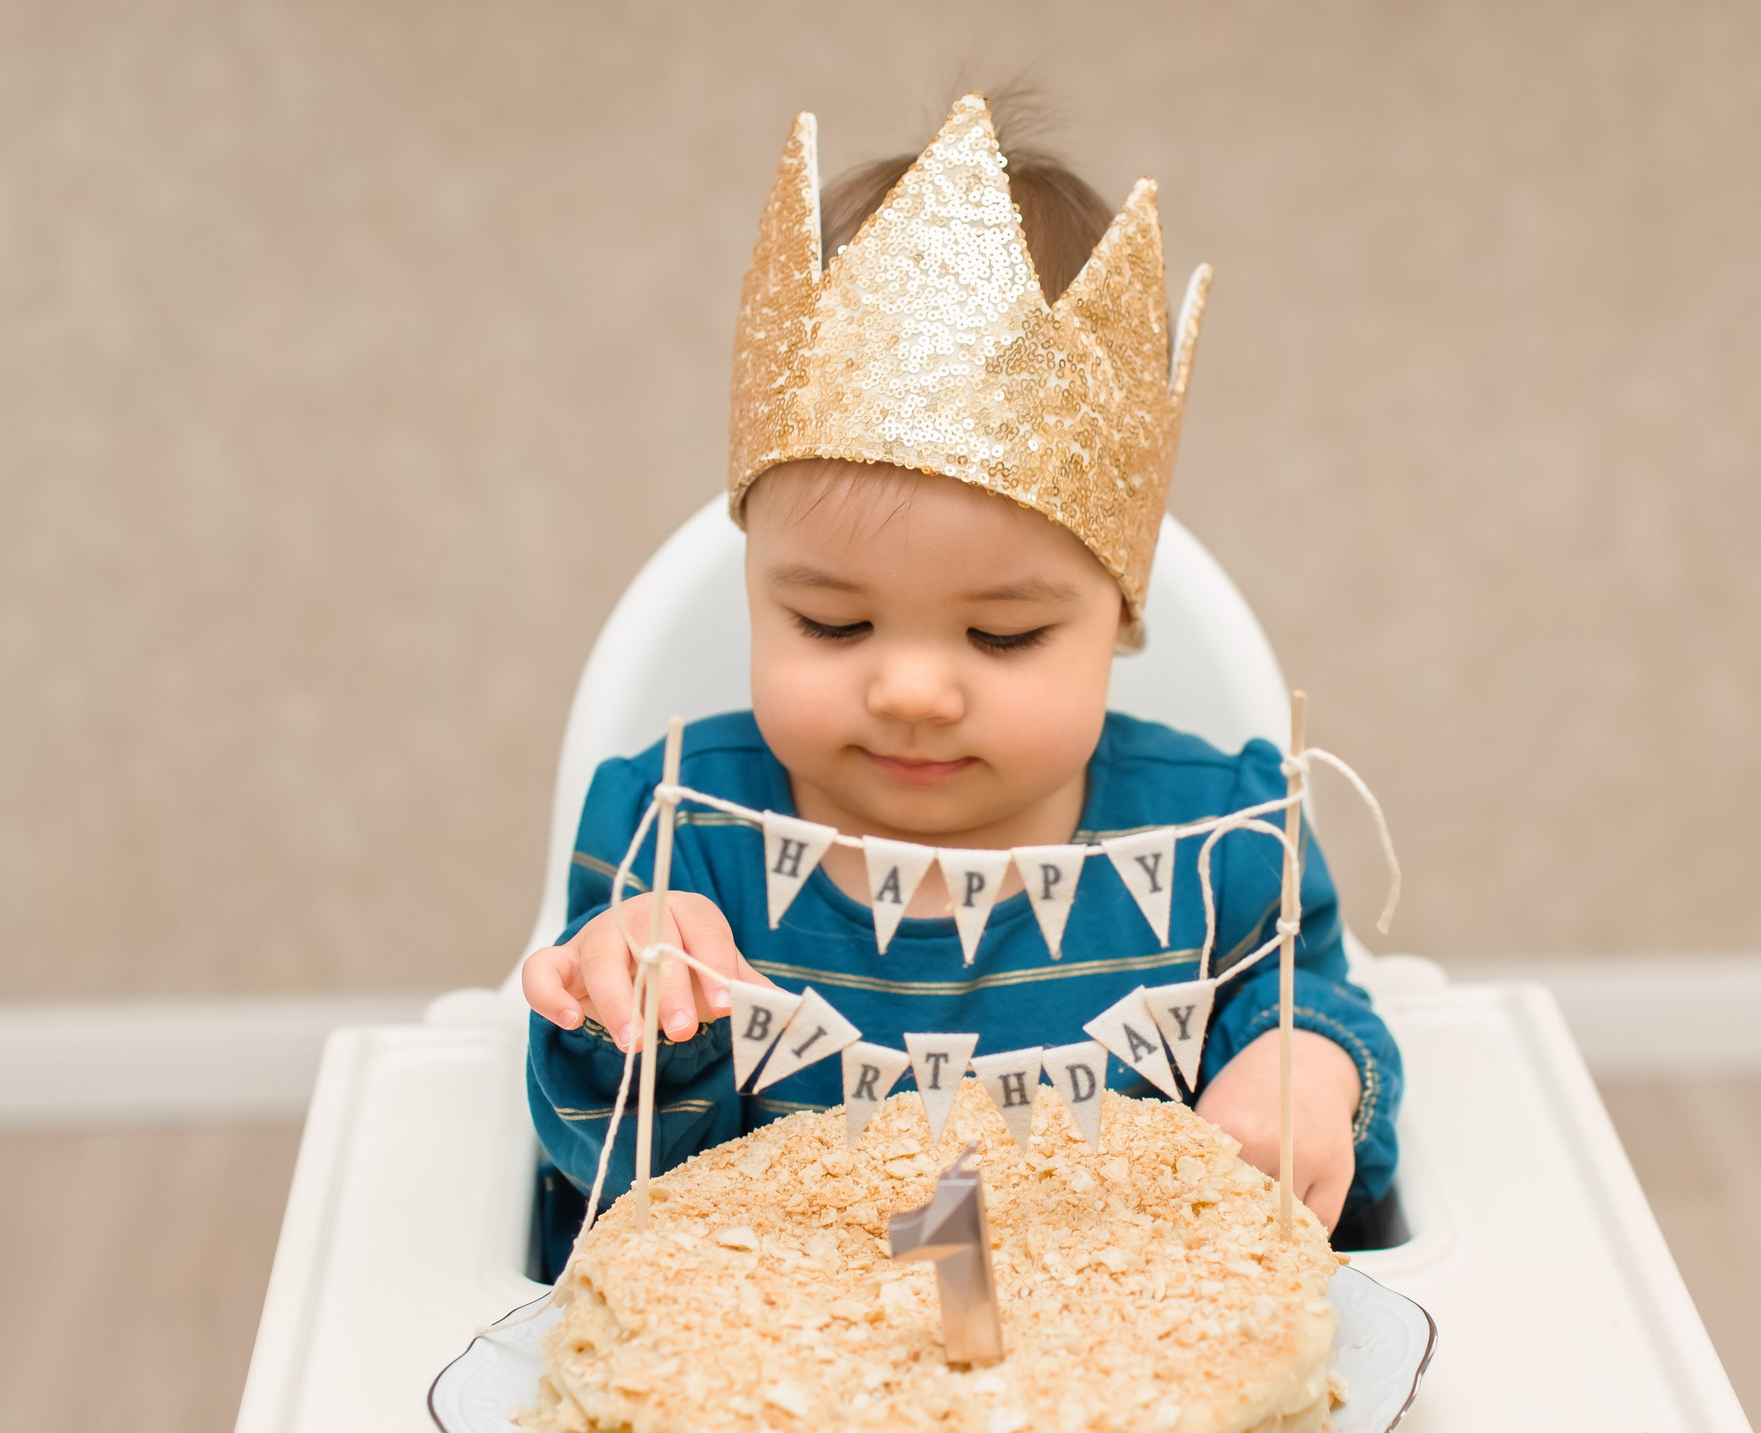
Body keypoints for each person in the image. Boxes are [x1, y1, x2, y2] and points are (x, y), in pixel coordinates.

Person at [521, 94, 1404, 1276]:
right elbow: (601, 1178)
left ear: (1117, 620)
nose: (912, 690)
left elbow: (1322, 1010)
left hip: (1119, 1343)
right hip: (788, 1347)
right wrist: (629, 1012)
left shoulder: (1222, 838)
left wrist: (1308, 1069)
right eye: (831, 622)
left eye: (1001, 635)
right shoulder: (677, 826)